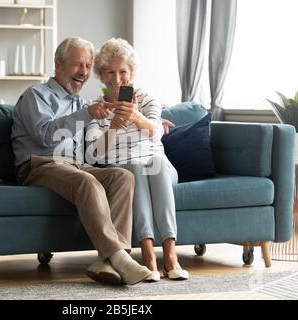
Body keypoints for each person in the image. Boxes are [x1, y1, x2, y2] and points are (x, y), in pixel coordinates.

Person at [11, 37, 152, 286]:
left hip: (76, 165)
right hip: (40, 164)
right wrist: (87, 113)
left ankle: (107, 263)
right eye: (78, 65)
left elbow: (91, 155)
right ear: (58, 65)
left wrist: (116, 126)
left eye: (87, 66)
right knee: (86, 181)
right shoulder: (37, 95)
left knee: (122, 176)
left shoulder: (80, 102)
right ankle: (120, 256)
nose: (84, 73)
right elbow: (45, 136)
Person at [86, 38, 189, 281]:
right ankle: (148, 257)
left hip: (158, 165)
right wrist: (112, 127)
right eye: (110, 71)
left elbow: (155, 130)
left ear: (132, 72)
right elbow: (94, 153)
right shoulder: (95, 109)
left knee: (157, 164)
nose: (117, 78)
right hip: (126, 166)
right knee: (135, 169)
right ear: (101, 75)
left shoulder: (146, 99)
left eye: (123, 71)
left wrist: (135, 116)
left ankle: (171, 256)